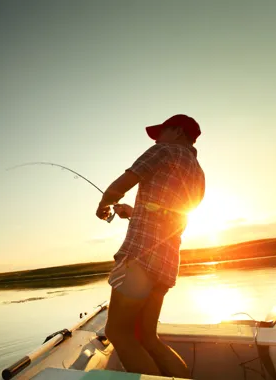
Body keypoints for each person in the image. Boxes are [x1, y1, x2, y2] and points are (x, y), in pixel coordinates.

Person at [96, 114, 206, 377]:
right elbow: (171, 214)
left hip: (140, 258)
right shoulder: (198, 172)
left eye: (162, 131)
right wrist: (133, 212)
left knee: (117, 332)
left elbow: (120, 185)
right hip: (167, 263)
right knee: (148, 337)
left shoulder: (163, 150)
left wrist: (103, 205)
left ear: (178, 131)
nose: (156, 138)